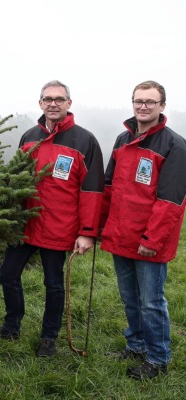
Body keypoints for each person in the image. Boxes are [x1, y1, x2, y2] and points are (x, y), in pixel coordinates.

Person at [0, 80, 104, 357]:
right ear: (40, 104)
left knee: (53, 283)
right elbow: (15, 182)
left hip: (60, 226)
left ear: (69, 104)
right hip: (26, 224)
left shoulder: (85, 141)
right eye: (48, 99)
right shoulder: (28, 137)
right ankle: (11, 326)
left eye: (59, 99)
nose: (53, 103)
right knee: (8, 275)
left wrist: (87, 231)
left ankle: (48, 337)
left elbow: (93, 190)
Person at [100, 80, 186, 380]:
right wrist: (100, 227)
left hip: (149, 242)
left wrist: (151, 239)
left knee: (151, 302)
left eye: (150, 102)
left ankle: (158, 357)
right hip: (121, 236)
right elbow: (109, 187)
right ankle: (135, 344)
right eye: (138, 101)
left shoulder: (174, 145)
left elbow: (171, 200)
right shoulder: (123, 139)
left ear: (162, 106)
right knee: (130, 298)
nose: (143, 106)